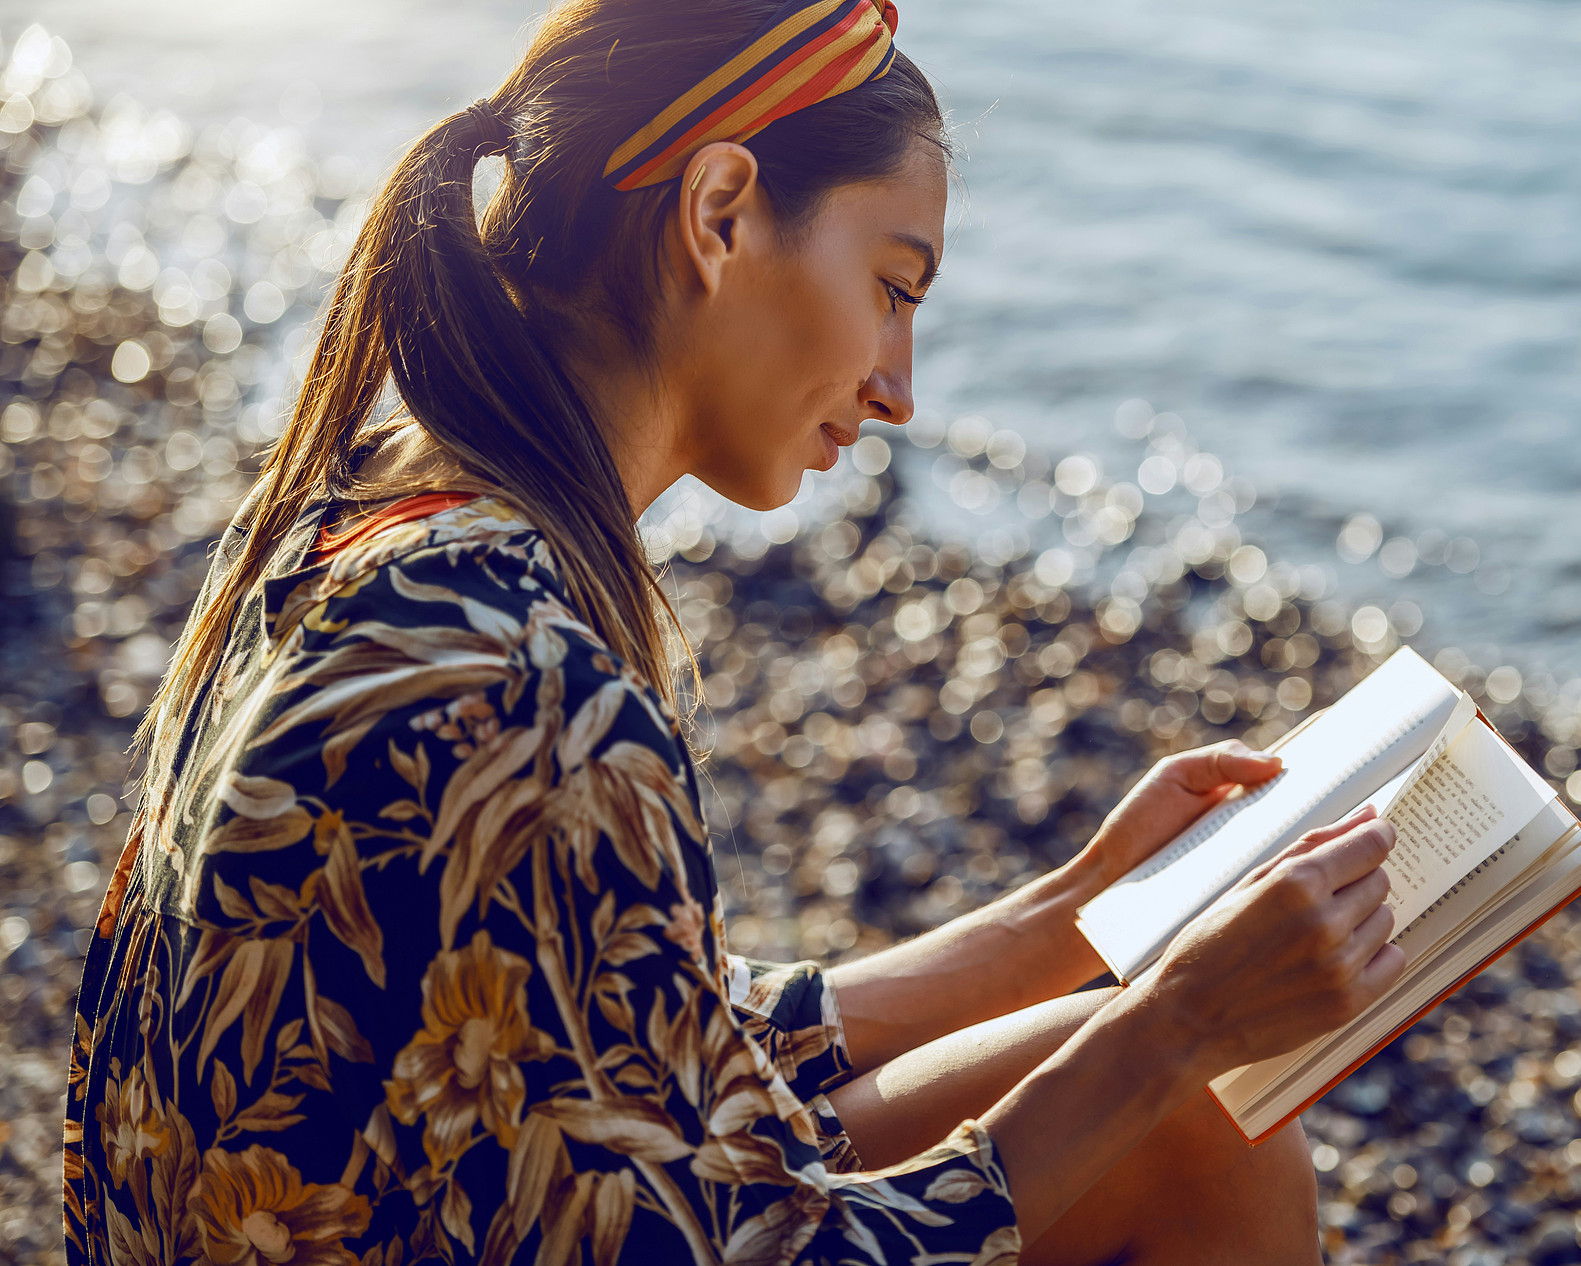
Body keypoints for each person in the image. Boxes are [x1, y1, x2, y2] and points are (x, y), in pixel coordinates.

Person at [64, 1, 1406, 1262]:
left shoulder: (351, 503)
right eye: (893, 285)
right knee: (1187, 1096)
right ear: (718, 213)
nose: (898, 388)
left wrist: (1076, 915)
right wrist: (1177, 1023)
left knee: (1194, 1113)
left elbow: (618, 1029)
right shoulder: (527, 690)